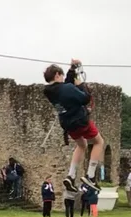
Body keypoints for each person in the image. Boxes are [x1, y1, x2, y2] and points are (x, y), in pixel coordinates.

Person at [43, 59, 105, 194]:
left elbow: (65, 86)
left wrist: (72, 70)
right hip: (80, 120)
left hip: (68, 125)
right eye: (63, 75)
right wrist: (81, 85)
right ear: (57, 75)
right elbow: (85, 98)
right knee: (99, 142)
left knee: (81, 145)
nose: (65, 77)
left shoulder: (50, 91)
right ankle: (90, 175)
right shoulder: (67, 89)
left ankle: (71, 176)